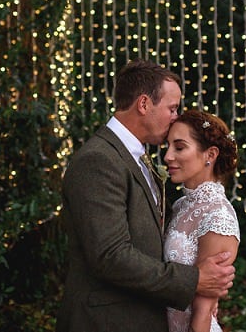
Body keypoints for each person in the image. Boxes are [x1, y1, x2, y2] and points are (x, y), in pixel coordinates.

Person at [56, 58, 236, 332]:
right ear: (143, 104)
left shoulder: (136, 158)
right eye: (172, 108)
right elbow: (110, 255)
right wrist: (193, 280)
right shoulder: (99, 160)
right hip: (107, 322)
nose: (177, 117)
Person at [163, 109, 241, 332]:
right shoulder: (180, 206)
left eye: (179, 147)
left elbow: (203, 310)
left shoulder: (219, 217)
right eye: (167, 146)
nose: (168, 156)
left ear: (210, 154)